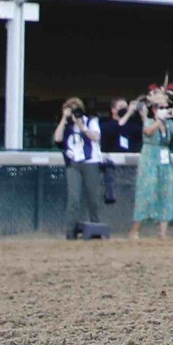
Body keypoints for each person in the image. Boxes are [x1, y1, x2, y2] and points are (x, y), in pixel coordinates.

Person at [130, 85, 173, 240]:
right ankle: (135, 230)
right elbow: (147, 132)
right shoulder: (149, 121)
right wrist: (159, 121)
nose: (164, 109)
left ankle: (162, 232)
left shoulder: (168, 124)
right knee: (146, 191)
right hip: (150, 157)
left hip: (164, 158)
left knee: (166, 190)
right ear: (154, 109)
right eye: (160, 107)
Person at [54, 97, 105, 239]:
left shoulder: (91, 121)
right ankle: (70, 232)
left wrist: (82, 126)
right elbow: (57, 139)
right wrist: (64, 119)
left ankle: (96, 228)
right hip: (73, 163)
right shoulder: (67, 126)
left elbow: (95, 137)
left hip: (90, 162)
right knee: (74, 198)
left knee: (93, 197)